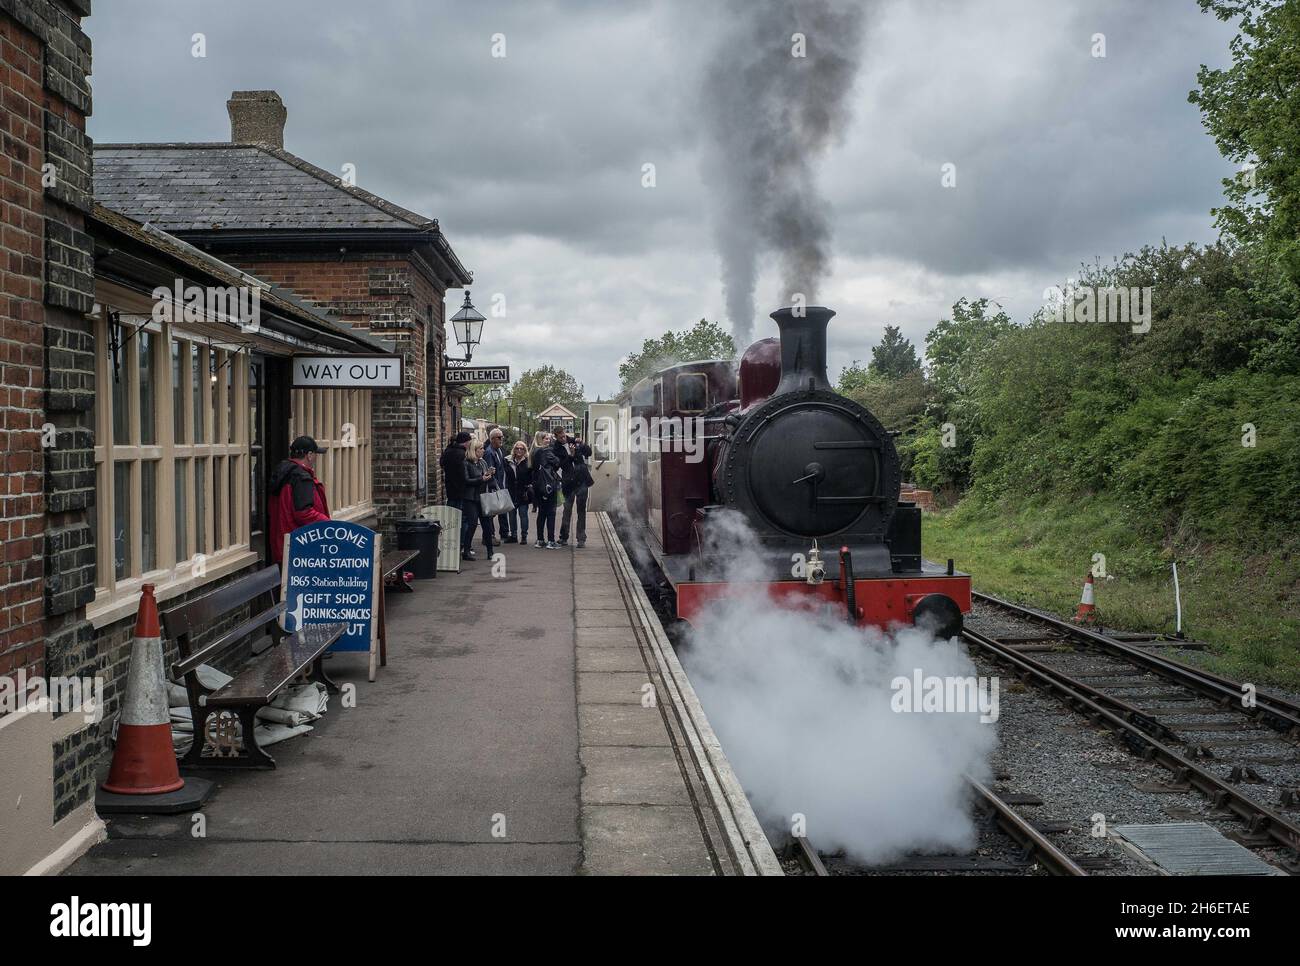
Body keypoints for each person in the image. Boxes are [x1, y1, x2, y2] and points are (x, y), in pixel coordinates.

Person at [268, 435, 331, 566]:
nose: (315, 458)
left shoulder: (283, 473)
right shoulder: (301, 477)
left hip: (284, 545)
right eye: (315, 454)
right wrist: (329, 524)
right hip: (302, 547)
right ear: (309, 455)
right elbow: (304, 513)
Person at [440, 431, 478, 560]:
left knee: (450, 520)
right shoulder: (462, 454)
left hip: (450, 490)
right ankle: (462, 546)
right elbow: (463, 476)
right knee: (464, 520)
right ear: (467, 442)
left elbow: (441, 464)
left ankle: (449, 546)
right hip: (461, 491)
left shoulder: (447, 451)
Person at [554, 426, 593, 549]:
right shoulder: (555, 448)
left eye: (564, 435)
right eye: (560, 437)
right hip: (568, 483)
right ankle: (563, 537)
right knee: (567, 510)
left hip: (581, 480)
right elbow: (560, 465)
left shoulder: (574, 441)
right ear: (556, 437)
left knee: (581, 511)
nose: (563, 438)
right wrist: (571, 455)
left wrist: (582, 444)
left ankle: (581, 539)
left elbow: (589, 452)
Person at [465, 439, 497, 559]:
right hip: (471, 498)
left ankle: (490, 551)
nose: (483, 450)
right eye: (481, 449)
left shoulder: (482, 462)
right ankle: (466, 550)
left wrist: (489, 473)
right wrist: (481, 479)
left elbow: (485, 477)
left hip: (483, 496)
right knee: (472, 524)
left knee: (487, 524)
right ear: (474, 450)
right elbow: (466, 480)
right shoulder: (466, 463)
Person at [531, 432, 562, 549]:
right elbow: (557, 462)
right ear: (540, 440)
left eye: (549, 439)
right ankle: (551, 541)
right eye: (546, 439)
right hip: (548, 485)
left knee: (541, 513)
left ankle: (540, 540)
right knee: (551, 513)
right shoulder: (546, 451)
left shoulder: (534, 451)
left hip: (538, 486)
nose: (548, 441)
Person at [503, 439, 532, 545]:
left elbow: (531, 477)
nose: (519, 450)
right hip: (511, 491)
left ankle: (524, 535)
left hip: (523, 492)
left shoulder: (528, 462)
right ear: (514, 450)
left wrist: (528, 488)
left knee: (523, 514)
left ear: (525, 450)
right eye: (517, 448)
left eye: (522, 448)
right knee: (511, 515)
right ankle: (514, 535)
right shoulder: (508, 461)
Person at [484, 427, 509, 542]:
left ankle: (504, 533)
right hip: (494, 487)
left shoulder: (499, 450)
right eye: (499, 437)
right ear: (492, 439)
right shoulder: (489, 452)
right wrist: (495, 487)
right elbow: (490, 471)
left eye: (502, 437)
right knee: (492, 512)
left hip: (501, 485)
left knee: (503, 510)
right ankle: (490, 535)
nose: (501, 439)